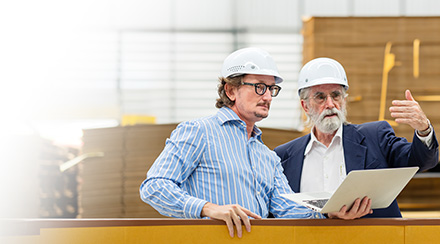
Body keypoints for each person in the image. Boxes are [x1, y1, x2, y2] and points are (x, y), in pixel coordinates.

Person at [140, 48, 372, 237]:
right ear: (230, 90)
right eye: (259, 87)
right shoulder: (198, 133)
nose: (268, 96)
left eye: (272, 89)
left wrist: (330, 213)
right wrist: (208, 208)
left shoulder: (267, 156)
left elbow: (287, 209)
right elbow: (154, 186)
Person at [275, 57, 439, 218]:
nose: (330, 104)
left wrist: (424, 129)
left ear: (344, 100)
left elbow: (421, 161)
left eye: (336, 95)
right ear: (305, 106)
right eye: (320, 97)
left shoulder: (375, 137)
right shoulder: (284, 156)